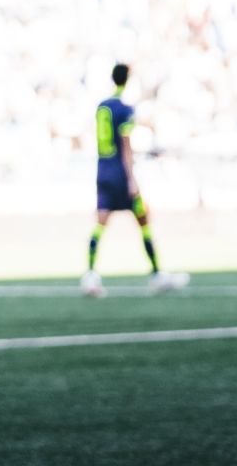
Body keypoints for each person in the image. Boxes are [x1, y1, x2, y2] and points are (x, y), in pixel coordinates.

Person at [81, 63, 187, 298]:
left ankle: (90, 273)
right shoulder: (125, 109)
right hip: (120, 173)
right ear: (127, 80)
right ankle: (157, 273)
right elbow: (126, 146)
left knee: (100, 223)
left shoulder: (102, 107)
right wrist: (131, 179)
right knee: (143, 220)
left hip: (103, 170)